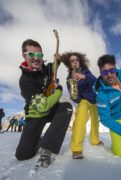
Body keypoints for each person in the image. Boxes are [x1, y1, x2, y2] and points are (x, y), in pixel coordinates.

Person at [15, 39, 73, 168]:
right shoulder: (25, 81)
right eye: (31, 55)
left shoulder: (45, 69)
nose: (36, 58)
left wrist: (57, 61)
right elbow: (42, 106)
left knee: (66, 107)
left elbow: (52, 69)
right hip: (36, 115)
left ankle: (48, 148)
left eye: (39, 55)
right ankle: (39, 139)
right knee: (22, 155)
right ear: (24, 56)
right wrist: (58, 91)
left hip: (51, 110)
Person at [61, 52, 103, 159]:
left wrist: (84, 77)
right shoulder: (69, 78)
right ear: (70, 64)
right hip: (83, 100)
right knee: (80, 119)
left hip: (94, 99)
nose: (75, 62)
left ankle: (95, 140)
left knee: (95, 121)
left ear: (80, 61)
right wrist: (74, 95)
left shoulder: (86, 72)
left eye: (76, 60)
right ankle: (76, 148)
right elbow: (75, 97)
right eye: (72, 61)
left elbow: (96, 82)